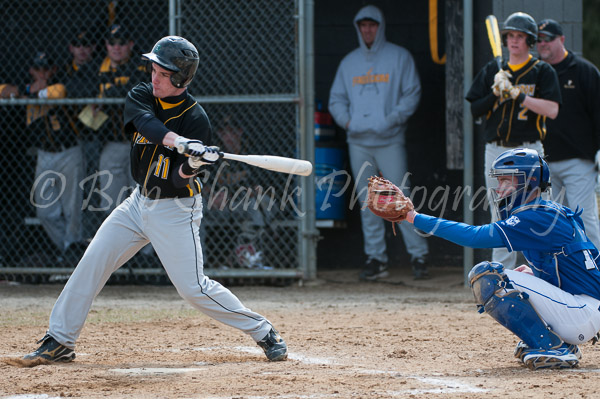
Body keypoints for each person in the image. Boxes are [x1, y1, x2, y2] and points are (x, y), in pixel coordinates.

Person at [22, 36, 287, 363]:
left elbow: (176, 181)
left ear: (181, 78)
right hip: (137, 202)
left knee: (194, 289)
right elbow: (146, 125)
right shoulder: (142, 94)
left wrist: (193, 163)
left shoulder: (196, 119)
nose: (154, 76)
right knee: (91, 262)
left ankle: (262, 330)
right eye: (154, 69)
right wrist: (179, 143)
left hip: (175, 210)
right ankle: (60, 340)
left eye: (163, 73)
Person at [397, 148, 600, 370]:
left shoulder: (535, 216)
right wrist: (539, 275)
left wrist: (413, 217)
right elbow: (576, 268)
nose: (499, 188)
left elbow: (473, 237)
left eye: (506, 180)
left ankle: (551, 347)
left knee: (488, 276)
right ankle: (561, 344)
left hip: (581, 313)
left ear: (529, 182)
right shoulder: (552, 210)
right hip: (583, 310)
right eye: (499, 180)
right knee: (519, 275)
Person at [328, 4, 429, 281]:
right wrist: (349, 122)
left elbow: (412, 93)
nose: (368, 30)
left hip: (390, 138)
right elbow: (336, 100)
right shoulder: (349, 63)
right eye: (363, 25)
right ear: (358, 28)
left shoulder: (399, 57)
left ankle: (418, 255)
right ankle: (376, 259)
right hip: (358, 140)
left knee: (401, 196)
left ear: (380, 27)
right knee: (367, 200)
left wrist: (391, 119)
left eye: (372, 25)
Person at [466, 12, 562, 270]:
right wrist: (495, 95)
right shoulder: (493, 70)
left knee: (538, 213)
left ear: (529, 41)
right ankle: (503, 275)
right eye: (510, 36)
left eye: (520, 36)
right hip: (496, 150)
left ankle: (546, 271)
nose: (514, 41)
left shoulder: (541, 71)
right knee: (500, 214)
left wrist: (517, 95)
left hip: (530, 150)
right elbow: (475, 109)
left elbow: (551, 110)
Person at [3, 51, 85, 261]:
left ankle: (72, 252)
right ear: (31, 70)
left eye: (46, 69)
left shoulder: (60, 83)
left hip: (68, 151)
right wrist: (28, 90)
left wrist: (27, 94)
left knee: (72, 208)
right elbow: (4, 91)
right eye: (38, 69)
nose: (42, 73)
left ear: (53, 70)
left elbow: (57, 93)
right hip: (44, 154)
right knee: (44, 212)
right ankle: (68, 250)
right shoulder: (25, 85)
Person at [535, 19, 600, 250]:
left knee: (584, 219)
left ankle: (596, 273)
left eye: (548, 39)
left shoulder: (584, 70)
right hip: (543, 161)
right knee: (554, 224)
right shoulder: (535, 72)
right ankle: (563, 277)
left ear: (561, 39)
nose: (543, 44)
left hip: (578, 160)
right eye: (539, 40)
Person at [95, 23, 146, 214]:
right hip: (112, 142)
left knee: (144, 203)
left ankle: (146, 245)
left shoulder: (142, 66)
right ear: (106, 45)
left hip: (141, 143)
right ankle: (117, 244)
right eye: (112, 42)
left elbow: (137, 91)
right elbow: (79, 87)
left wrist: (108, 95)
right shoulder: (98, 68)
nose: (116, 47)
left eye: (122, 42)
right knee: (110, 204)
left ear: (130, 44)